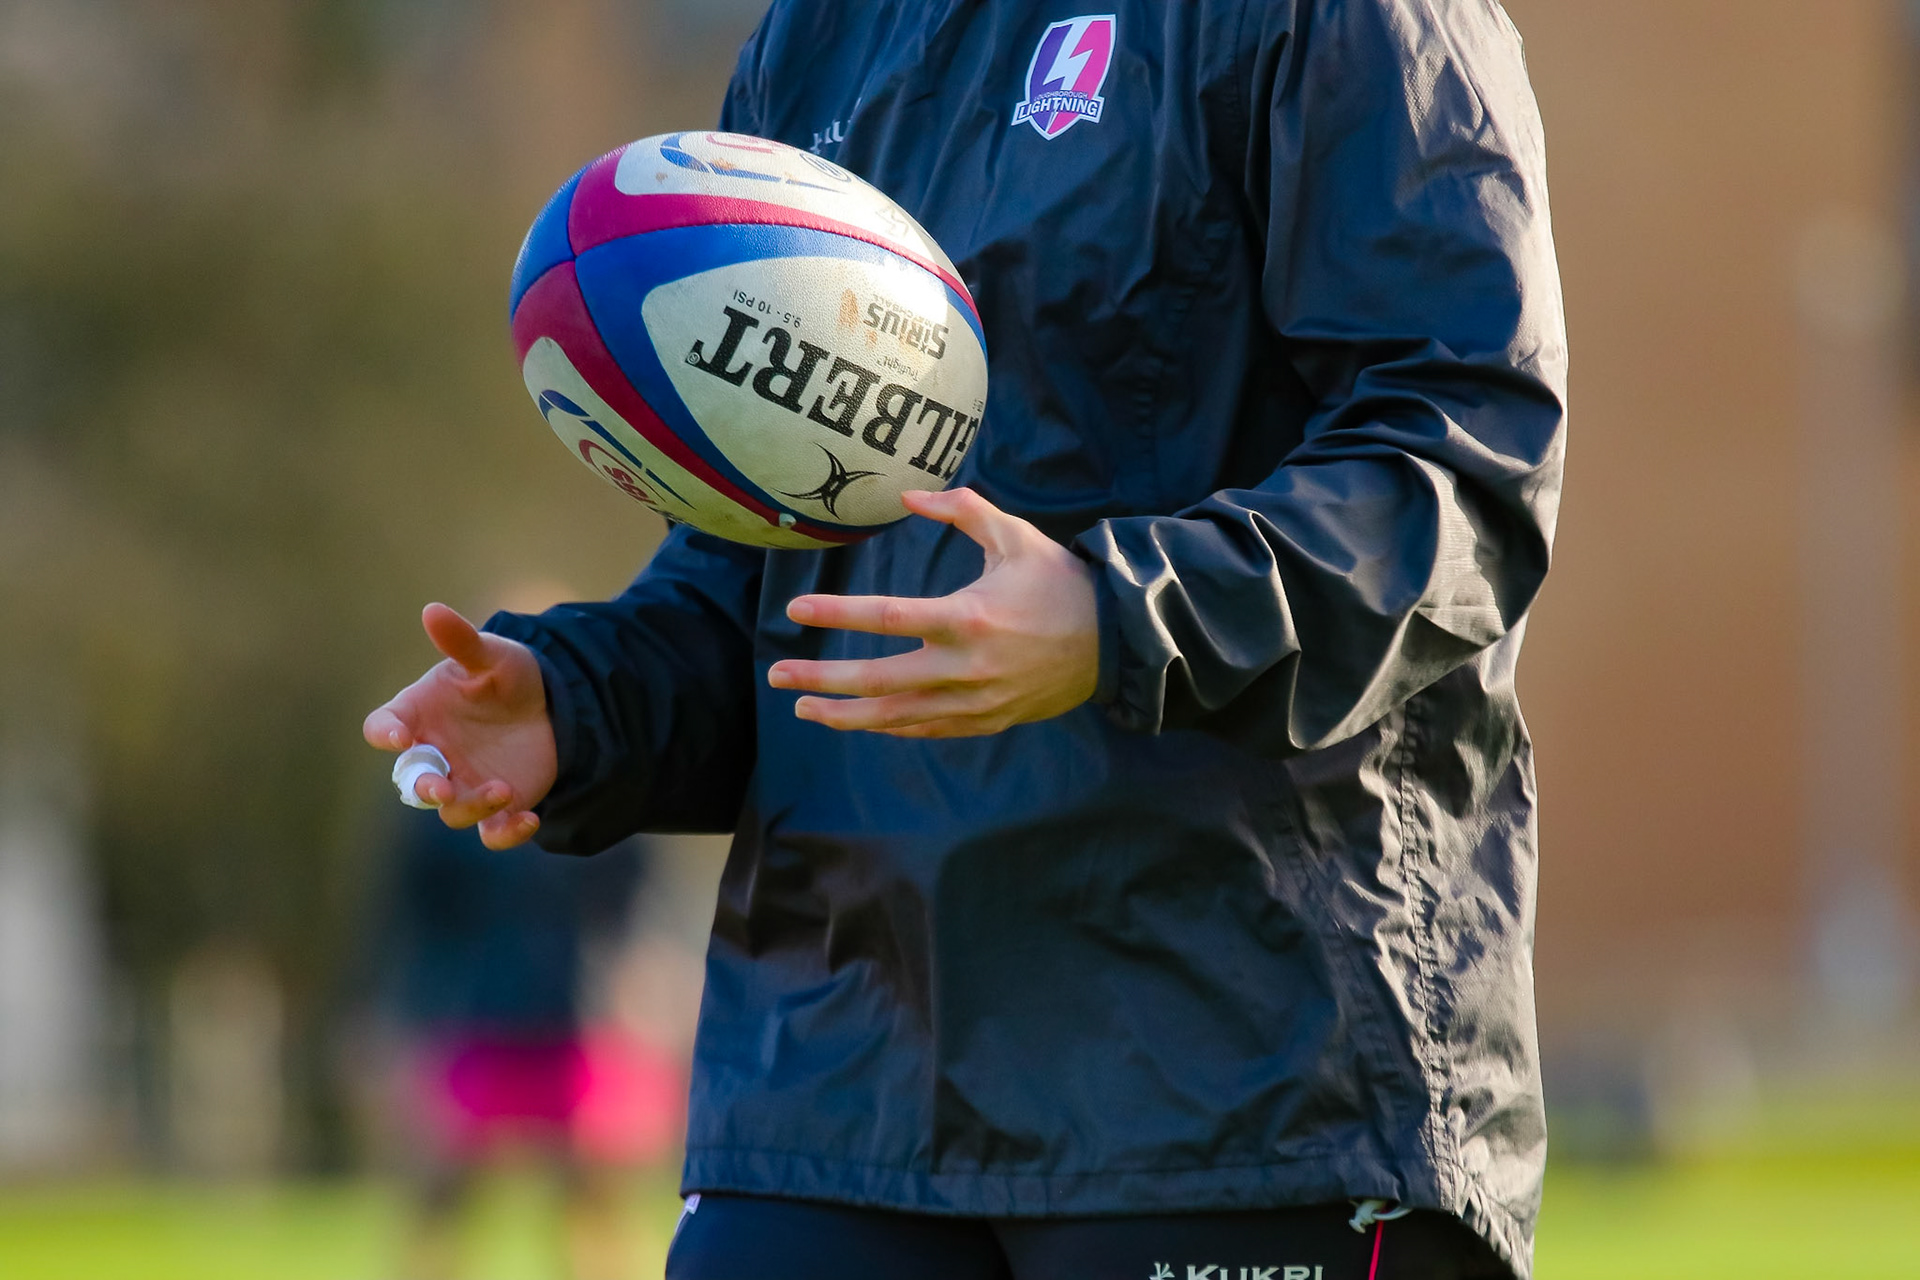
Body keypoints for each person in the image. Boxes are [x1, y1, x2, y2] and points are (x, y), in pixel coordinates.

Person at [365, 2, 1566, 1276]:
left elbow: (1462, 470)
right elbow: (764, 580)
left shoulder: (1340, 19)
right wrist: (581, 703)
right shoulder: (820, 35)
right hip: (836, 1084)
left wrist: (1117, 612)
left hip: (1244, 1077)